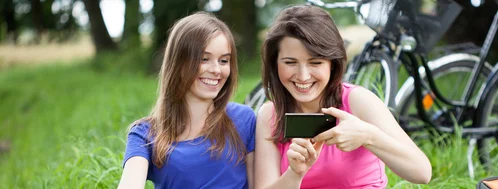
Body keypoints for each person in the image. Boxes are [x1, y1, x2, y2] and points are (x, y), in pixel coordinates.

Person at [254, 5, 432, 189]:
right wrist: (295, 173)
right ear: (275, 64)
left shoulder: (358, 101)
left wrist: (367, 136)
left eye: (316, 62)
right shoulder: (270, 115)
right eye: (290, 62)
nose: (303, 76)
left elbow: (422, 173)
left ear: (333, 64)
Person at [117, 12, 256, 189]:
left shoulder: (244, 119)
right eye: (204, 59)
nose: (216, 70)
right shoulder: (145, 134)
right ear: (178, 63)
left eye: (223, 61)